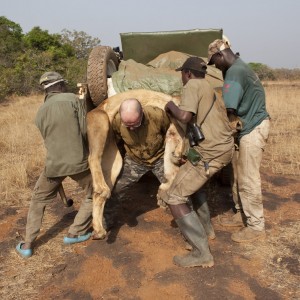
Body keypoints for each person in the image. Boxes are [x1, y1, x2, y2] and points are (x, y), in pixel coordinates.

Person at [163, 57, 234, 267]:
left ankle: (201, 252)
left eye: (181, 74)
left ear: (187, 73)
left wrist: (170, 106)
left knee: (174, 196)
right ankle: (206, 229)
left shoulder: (193, 85)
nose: (181, 78)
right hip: (222, 149)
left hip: (210, 153)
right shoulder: (209, 87)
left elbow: (185, 116)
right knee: (195, 188)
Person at [16, 71, 93, 258]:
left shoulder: (40, 111)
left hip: (53, 165)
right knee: (95, 193)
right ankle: (75, 232)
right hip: (79, 163)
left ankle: (27, 244)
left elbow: (48, 139)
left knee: (38, 199)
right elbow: (85, 131)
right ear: (59, 85)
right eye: (64, 84)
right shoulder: (74, 100)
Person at [207, 39, 270, 243]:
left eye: (214, 62)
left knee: (248, 178)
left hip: (252, 129)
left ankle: (255, 226)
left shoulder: (234, 72)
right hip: (247, 127)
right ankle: (241, 213)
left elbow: (230, 110)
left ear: (220, 55)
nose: (214, 66)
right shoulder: (239, 67)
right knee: (237, 174)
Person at [104, 98, 171, 226]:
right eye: (127, 125)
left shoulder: (157, 115)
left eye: (135, 124)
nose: (132, 128)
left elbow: (170, 133)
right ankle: (105, 222)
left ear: (142, 113)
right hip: (135, 160)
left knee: (176, 192)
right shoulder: (117, 121)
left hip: (160, 158)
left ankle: (188, 226)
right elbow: (117, 141)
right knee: (115, 190)